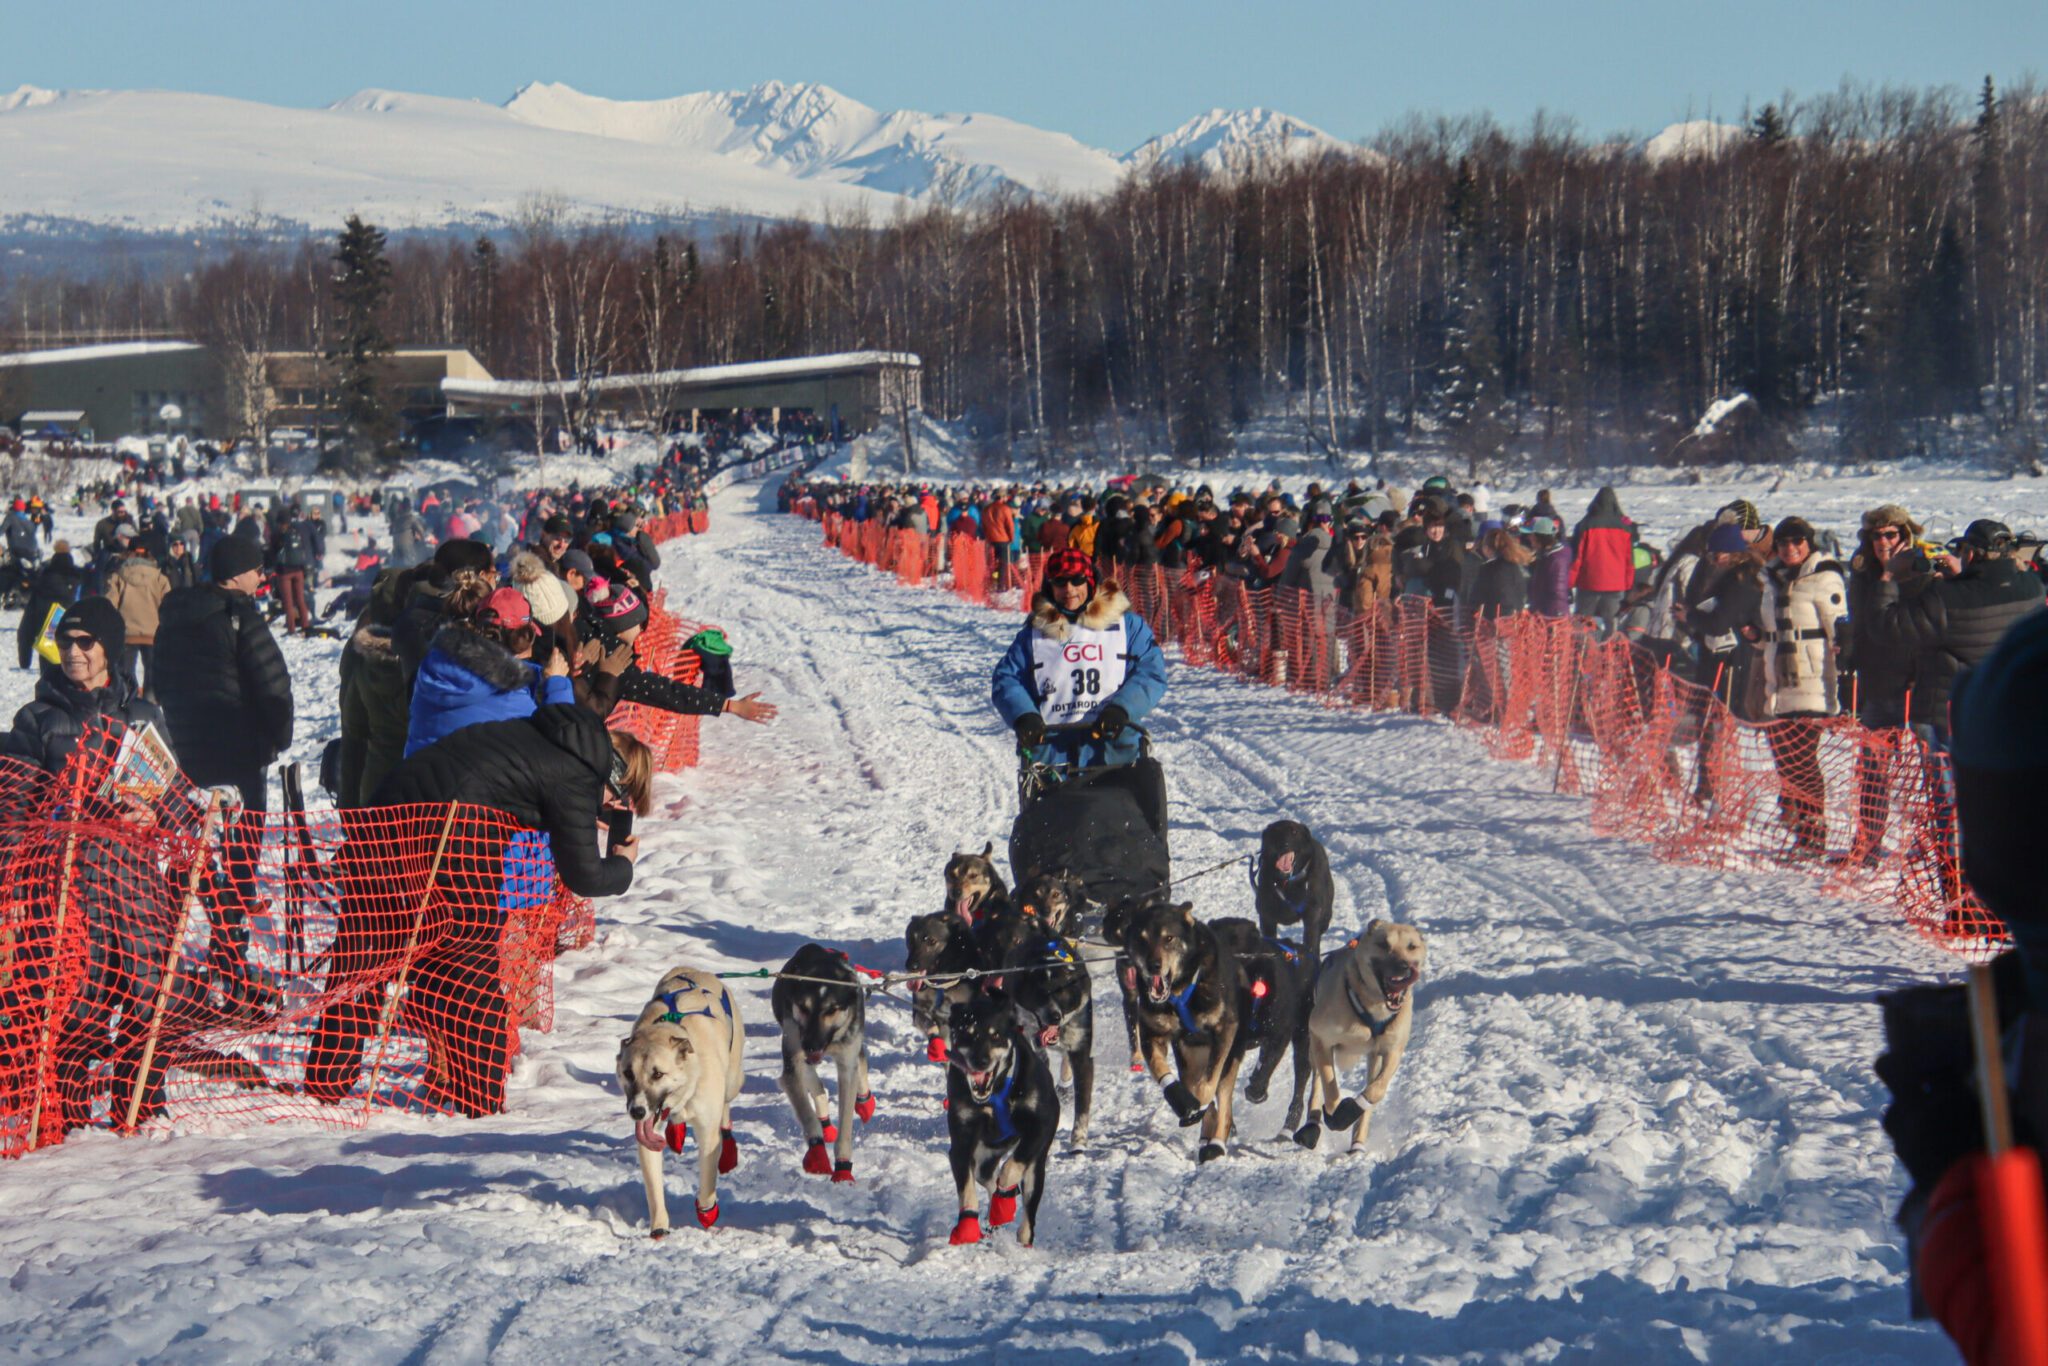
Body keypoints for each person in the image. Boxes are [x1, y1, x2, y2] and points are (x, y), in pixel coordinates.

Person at [305, 710, 652, 1117]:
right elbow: (585, 876)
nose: (612, 808)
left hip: (384, 820)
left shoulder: (553, 737)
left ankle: (324, 1084)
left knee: (362, 956)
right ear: (615, 778)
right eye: (619, 799)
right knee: (473, 979)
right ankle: (482, 1107)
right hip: (450, 836)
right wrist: (624, 865)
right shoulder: (579, 772)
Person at [0, 597, 179, 1133]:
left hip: (136, 880)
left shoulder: (143, 716)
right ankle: (73, 1109)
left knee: (148, 990)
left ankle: (144, 1101)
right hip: (68, 885)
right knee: (81, 997)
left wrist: (155, 810)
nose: (73, 653)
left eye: (86, 642)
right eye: (67, 642)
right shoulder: (37, 718)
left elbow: (174, 798)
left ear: (110, 650)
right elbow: (12, 809)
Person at [153, 535, 294, 815]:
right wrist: (278, 738)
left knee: (195, 849)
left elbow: (159, 683)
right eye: (257, 570)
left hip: (185, 751)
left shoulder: (173, 619)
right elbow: (274, 687)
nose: (261, 577)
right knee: (239, 850)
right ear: (236, 575)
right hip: (239, 754)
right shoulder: (241, 619)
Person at [991, 548, 1167, 770]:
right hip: (1052, 752)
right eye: (1060, 582)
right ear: (1049, 586)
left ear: (1090, 581)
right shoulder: (1035, 632)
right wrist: (1024, 715)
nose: (1069, 589)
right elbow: (1006, 678)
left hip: (1113, 746)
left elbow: (1151, 672)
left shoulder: (1127, 625)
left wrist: (1123, 709)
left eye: (1077, 580)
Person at [1757, 517, 1847, 858]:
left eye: (1797, 542)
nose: (1790, 549)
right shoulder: (1770, 579)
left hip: (1814, 680)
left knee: (1803, 761)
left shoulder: (1825, 577)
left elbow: (1839, 629)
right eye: (1783, 543)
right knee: (1785, 761)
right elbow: (1770, 626)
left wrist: (1844, 683)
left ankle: (1813, 836)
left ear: (1809, 544)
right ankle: (1798, 829)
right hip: (1779, 680)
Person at [405, 588, 574, 756]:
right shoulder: (509, 697)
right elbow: (561, 750)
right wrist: (557, 685)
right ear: (521, 639)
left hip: (413, 777)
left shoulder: (434, 668)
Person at [105, 536, 171, 701]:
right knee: (152, 672)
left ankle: (127, 703)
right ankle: (150, 704)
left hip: (126, 633)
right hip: (153, 634)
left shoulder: (118, 576)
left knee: (126, 672)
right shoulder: (160, 578)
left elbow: (109, 604)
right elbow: (169, 605)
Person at [1569, 486, 1636, 635]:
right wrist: (1629, 584)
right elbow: (1629, 560)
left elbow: (1577, 558)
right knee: (1611, 623)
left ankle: (1582, 652)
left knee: (1582, 622)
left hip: (1589, 582)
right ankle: (1610, 653)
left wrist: (1570, 582)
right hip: (1615, 584)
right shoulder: (1625, 528)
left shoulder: (1585, 525)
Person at [17, 541, 83, 670]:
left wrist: (24, 662)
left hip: (45, 614)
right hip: (68, 614)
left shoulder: (45, 573)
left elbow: (25, 634)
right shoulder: (77, 574)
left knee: (47, 647)